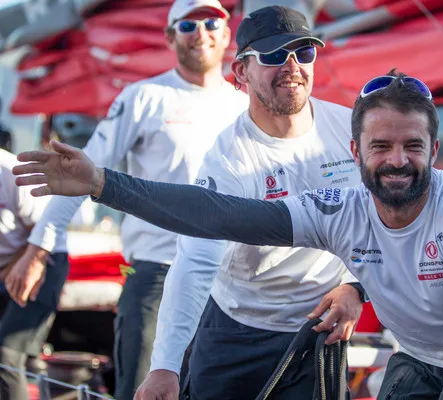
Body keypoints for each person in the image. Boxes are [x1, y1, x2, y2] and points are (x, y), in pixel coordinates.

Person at [13, 70, 443, 399]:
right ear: (355, 153)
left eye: (412, 146)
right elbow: (220, 215)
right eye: (381, 147)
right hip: (423, 353)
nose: (398, 161)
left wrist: (357, 285)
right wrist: (102, 183)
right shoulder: (340, 211)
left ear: (434, 152)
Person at [5, 0, 249, 398]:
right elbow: (81, 174)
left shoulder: (245, 106)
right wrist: (38, 249)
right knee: (141, 389)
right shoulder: (143, 97)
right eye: (188, 26)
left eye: (210, 23)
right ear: (169, 37)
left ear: (226, 35)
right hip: (155, 274)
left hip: (230, 278)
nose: (201, 33)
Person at [136, 6, 366, 399]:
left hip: (318, 331)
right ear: (241, 72)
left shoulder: (352, 130)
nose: (292, 67)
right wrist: (164, 366)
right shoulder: (228, 159)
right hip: (237, 331)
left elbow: (388, 217)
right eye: (275, 55)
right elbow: (194, 261)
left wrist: (356, 286)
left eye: (304, 52)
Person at [0, 147, 69, 399]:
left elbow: (41, 234)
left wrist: (10, 269)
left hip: (43, 258)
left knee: (7, 354)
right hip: (6, 265)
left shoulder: (11, 172)